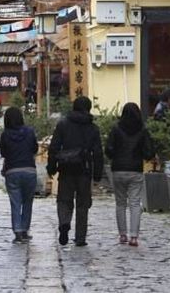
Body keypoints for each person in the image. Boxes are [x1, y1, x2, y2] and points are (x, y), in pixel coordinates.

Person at [46, 95, 103, 247]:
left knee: (64, 199)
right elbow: (98, 153)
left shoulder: (63, 124)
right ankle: (80, 237)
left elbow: (54, 147)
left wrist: (51, 166)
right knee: (83, 204)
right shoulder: (93, 128)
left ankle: (64, 223)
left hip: (66, 167)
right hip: (84, 169)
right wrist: (97, 174)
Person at [105, 102, 150, 247]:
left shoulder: (116, 129)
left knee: (120, 203)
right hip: (135, 169)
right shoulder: (142, 130)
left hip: (118, 169)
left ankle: (122, 234)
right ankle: (134, 236)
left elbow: (109, 150)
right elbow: (149, 152)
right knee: (135, 203)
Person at [0, 106, 38, 243]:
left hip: (12, 171)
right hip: (29, 170)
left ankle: (17, 231)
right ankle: (24, 229)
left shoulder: (5, 134)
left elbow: (3, 152)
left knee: (15, 203)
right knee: (28, 202)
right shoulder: (29, 132)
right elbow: (35, 148)